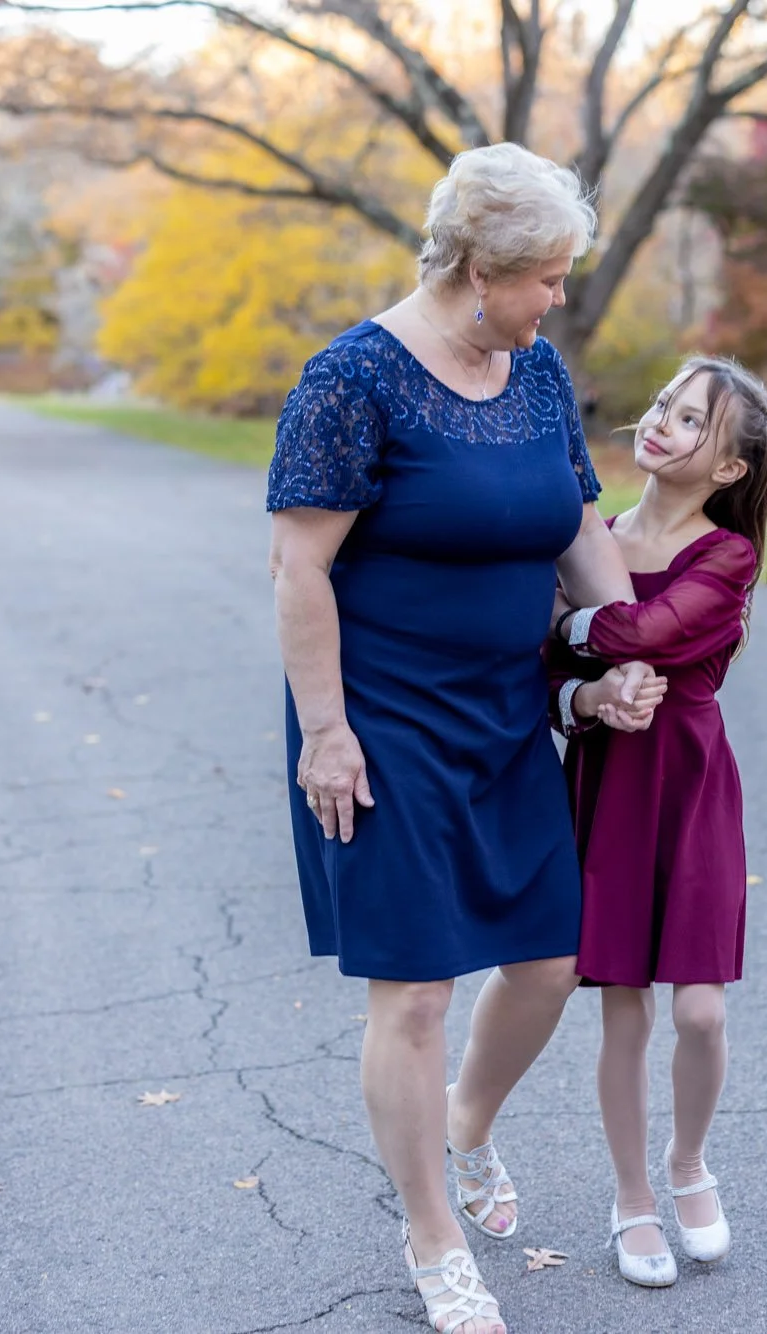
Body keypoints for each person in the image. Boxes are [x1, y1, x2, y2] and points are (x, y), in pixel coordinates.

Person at [266, 143, 662, 1334]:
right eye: (542, 277)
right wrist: (326, 730)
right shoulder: (352, 379)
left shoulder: (533, 374)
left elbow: (578, 531)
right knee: (418, 994)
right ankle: (431, 1232)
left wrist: (626, 643)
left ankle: (463, 1124)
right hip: (383, 722)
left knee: (547, 960)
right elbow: (298, 564)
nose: (554, 302)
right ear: (477, 267)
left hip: (503, 709)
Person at [548, 356, 767, 1288]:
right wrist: (588, 685)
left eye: (691, 423)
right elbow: (546, 661)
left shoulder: (726, 556)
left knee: (698, 1007)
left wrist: (569, 625)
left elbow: (645, 632)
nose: (660, 425)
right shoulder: (598, 534)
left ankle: (688, 1164)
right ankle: (630, 1197)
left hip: (687, 784)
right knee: (623, 1009)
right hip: (613, 778)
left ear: (728, 469)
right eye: (662, 407)